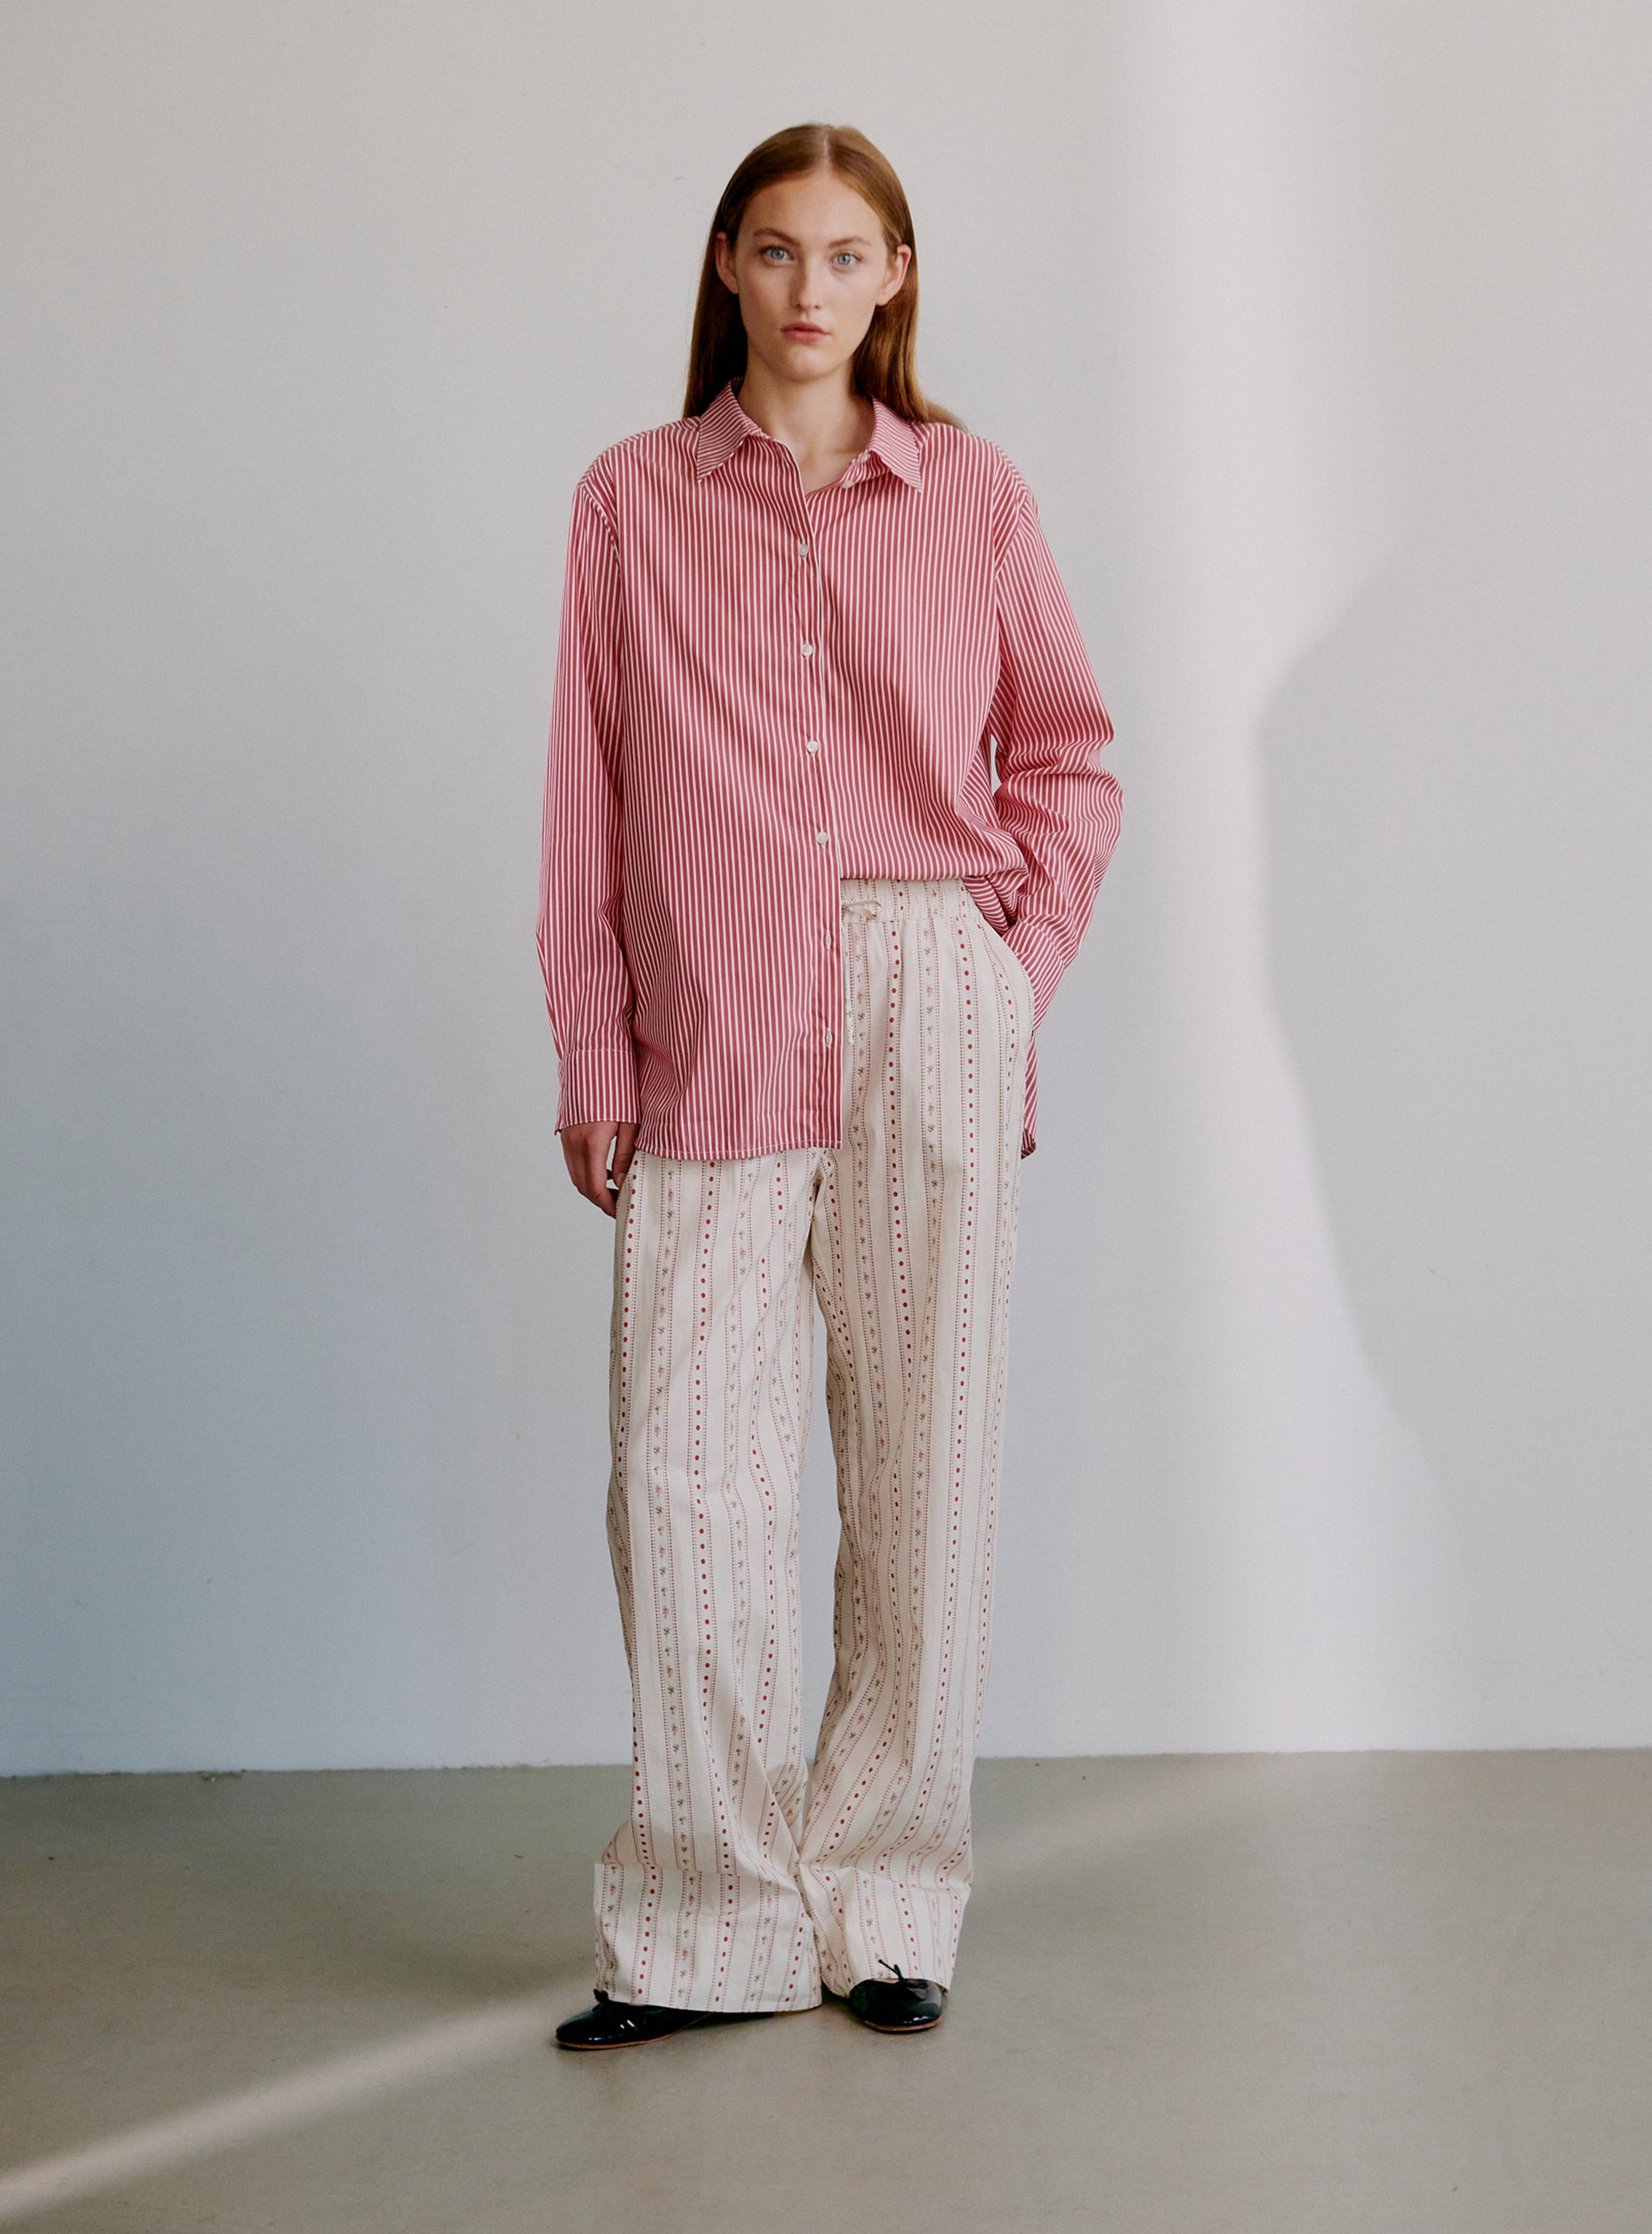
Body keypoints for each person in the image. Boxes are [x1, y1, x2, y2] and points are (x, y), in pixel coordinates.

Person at [536, 120, 1121, 2049]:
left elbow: (1066, 755)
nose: (807, 290)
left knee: (919, 1462)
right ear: (724, 265)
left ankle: (883, 1907)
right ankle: (705, 1924)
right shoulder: (629, 498)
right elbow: (585, 796)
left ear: (895, 280)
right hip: (708, 1008)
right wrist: (593, 1030)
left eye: (846, 255)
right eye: (774, 250)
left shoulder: (971, 497)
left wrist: (1002, 975)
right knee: (687, 1480)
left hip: (920, 983)